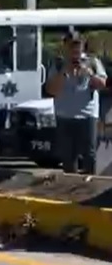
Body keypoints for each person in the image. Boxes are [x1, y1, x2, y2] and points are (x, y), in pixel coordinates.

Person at [44, 31, 107, 175]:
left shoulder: (92, 62)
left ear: (83, 47)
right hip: (64, 116)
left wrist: (89, 72)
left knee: (89, 155)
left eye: (78, 46)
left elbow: (103, 84)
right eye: (71, 46)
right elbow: (51, 90)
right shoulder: (59, 64)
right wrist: (64, 73)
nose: (75, 50)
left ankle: (89, 185)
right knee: (68, 156)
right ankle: (70, 186)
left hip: (87, 116)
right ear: (65, 47)